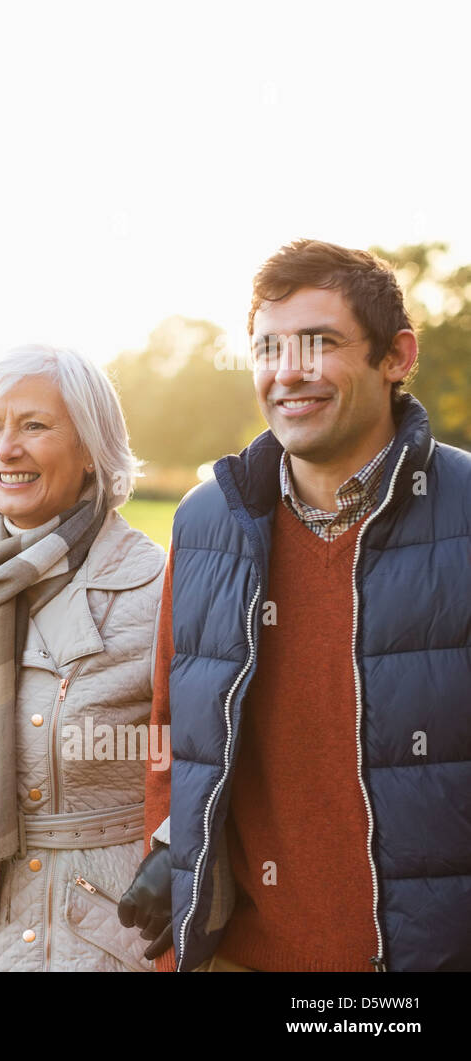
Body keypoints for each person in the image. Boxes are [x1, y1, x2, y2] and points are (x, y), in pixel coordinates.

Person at [119, 239, 471, 971]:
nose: (287, 373)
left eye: (320, 344)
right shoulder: (208, 521)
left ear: (396, 356)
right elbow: (168, 725)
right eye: (268, 348)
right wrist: (168, 840)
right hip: (240, 955)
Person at [0, 344, 166, 971]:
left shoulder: (157, 580)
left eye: (35, 426)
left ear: (92, 450)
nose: (6, 448)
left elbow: (221, 747)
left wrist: (180, 850)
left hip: (106, 928)